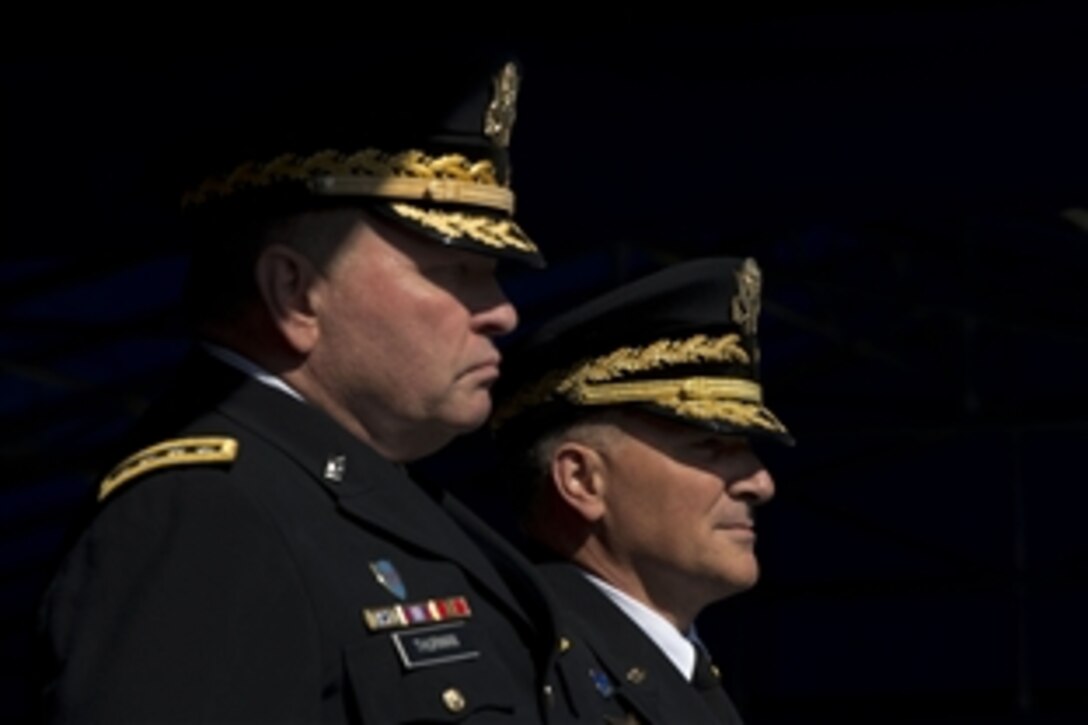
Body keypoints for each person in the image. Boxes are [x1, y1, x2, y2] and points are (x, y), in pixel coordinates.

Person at [38, 54, 569, 723]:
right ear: (296, 293)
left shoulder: (334, 495)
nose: (503, 310)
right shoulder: (205, 518)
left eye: (491, 272)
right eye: (453, 270)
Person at [492, 256, 794, 724]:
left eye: (747, 449)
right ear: (582, 480)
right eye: (711, 446)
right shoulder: (518, 672)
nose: (760, 483)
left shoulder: (672, 671)